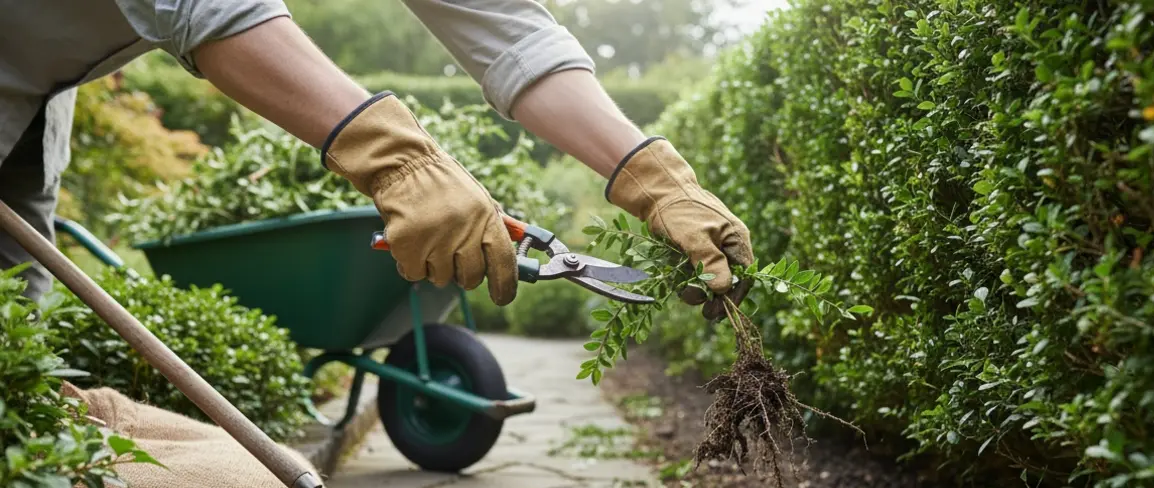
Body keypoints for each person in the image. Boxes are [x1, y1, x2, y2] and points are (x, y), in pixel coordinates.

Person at [0, 0, 754, 319]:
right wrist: (398, 160)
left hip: (41, 84)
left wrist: (654, 176)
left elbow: (511, 33)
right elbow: (209, 10)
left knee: (17, 342)